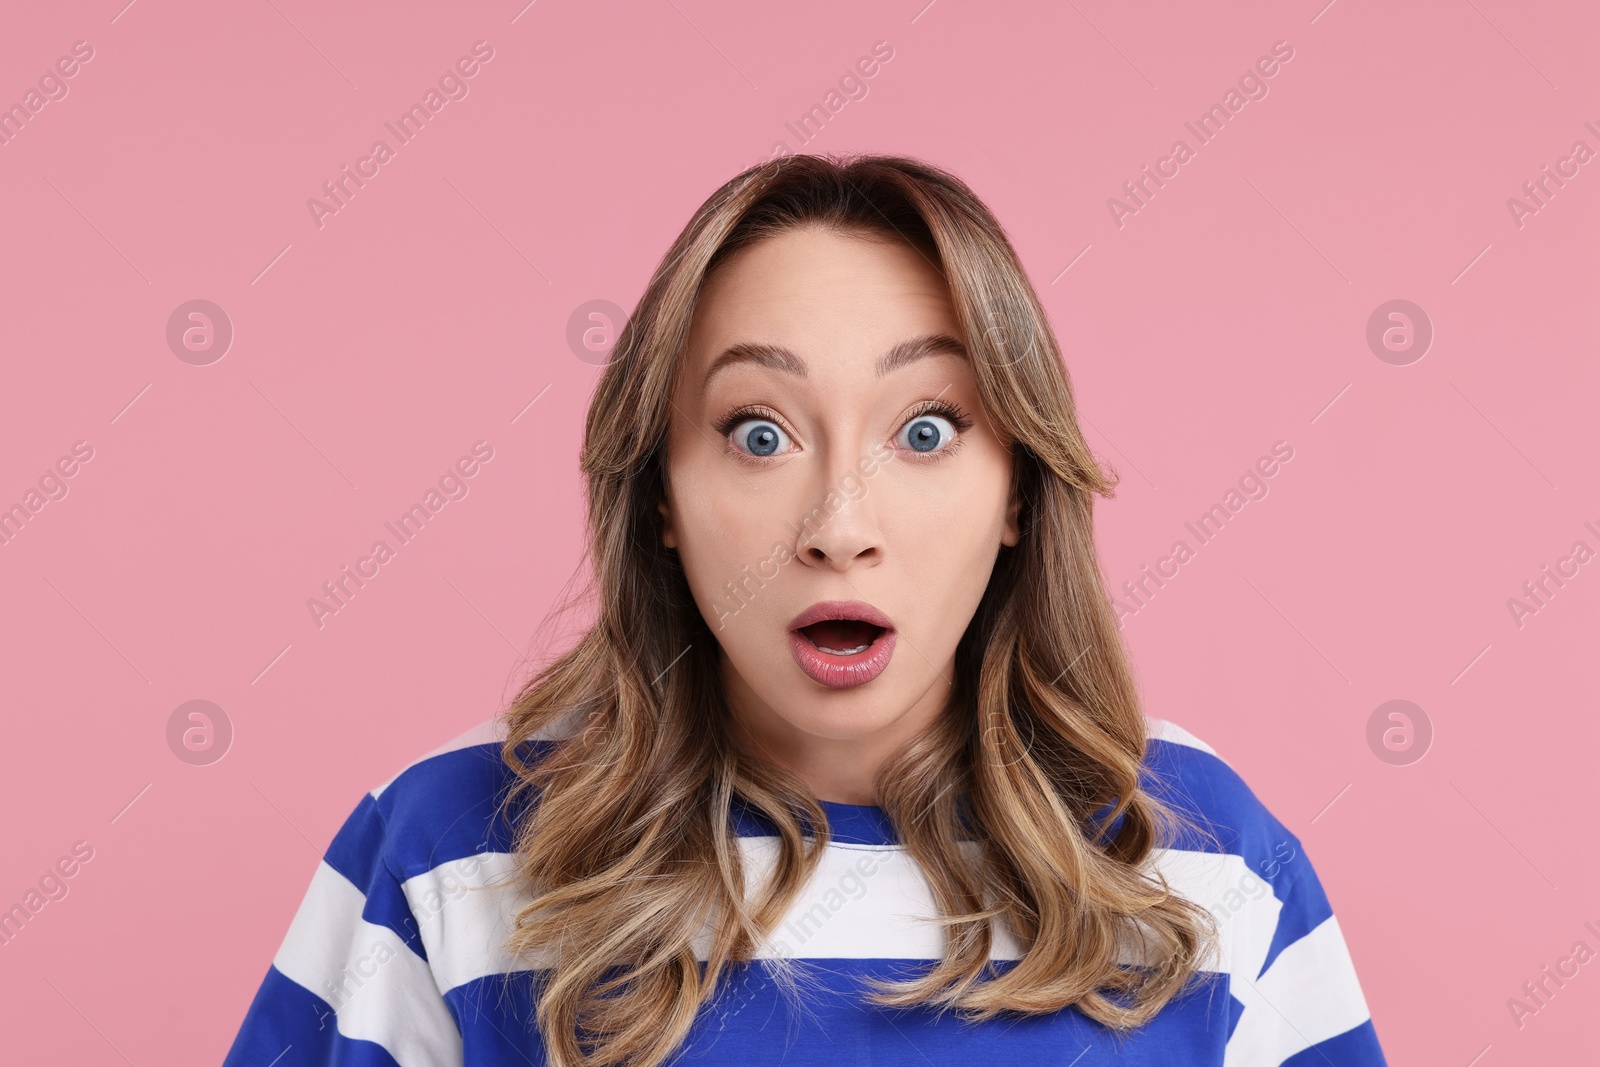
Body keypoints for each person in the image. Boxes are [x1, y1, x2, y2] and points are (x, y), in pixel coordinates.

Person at [223, 154, 1387, 1066]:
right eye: (759, 432)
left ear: (1018, 493)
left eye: (925, 430)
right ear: (662, 494)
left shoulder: (1204, 861)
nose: (838, 522)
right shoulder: (443, 851)